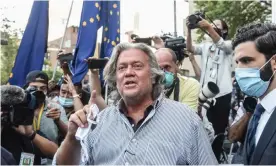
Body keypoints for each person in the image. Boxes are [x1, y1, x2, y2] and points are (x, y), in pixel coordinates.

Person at [53, 43, 217, 165]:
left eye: (137, 66)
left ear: (153, 75)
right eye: (122, 68)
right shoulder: (98, 122)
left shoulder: (186, 120)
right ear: (115, 79)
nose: (129, 72)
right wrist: (72, 138)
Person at [232, 22, 276, 165]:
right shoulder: (257, 111)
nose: (239, 70)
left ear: (274, 62)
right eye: (237, 62)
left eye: (246, 61)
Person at [186, 18, 233, 135]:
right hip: (205, 93)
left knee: (218, 130)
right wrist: (189, 30)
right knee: (203, 126)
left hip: (222, 94)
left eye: (216, 25)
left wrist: (208, 27)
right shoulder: (205, 46)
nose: (212, 26)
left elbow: (221, 44)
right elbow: (190, 48)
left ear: (225, 30)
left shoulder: (229, 44)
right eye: (212, 24)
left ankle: (218, 151)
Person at [24, 70, 68, 144]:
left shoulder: (56, 108)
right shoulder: (18, 106)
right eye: (33, 87)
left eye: (43, 88)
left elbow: (68, 134)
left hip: (50, 153)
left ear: (47, 90)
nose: (38, 91)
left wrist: (58, 121)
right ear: (26, 88)